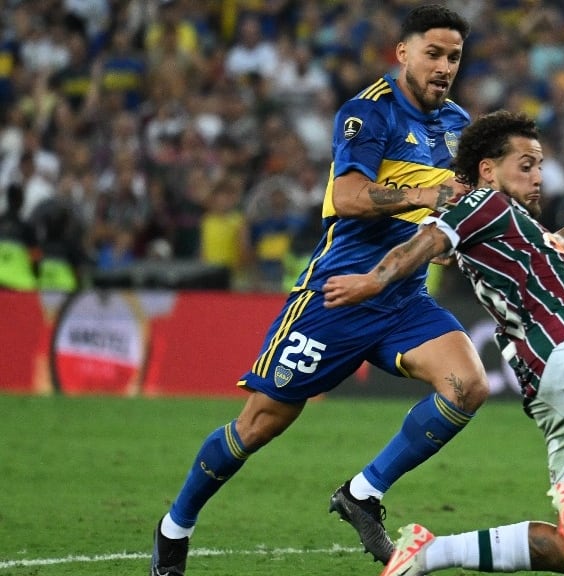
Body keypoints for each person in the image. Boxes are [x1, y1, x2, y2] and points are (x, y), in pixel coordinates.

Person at [150, 5, 489, 574]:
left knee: (468, 386)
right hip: (336, 298)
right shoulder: (368, 113)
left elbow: (472, 201)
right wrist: (425, 197)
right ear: (402, 52)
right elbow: (352, 196)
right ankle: (174, 526)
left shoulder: (459, 124)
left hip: (404, 299)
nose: (444, 66)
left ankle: (362, 493)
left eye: (454, 56)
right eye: (433, 53)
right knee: (258, 424)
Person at [322, 110, 564, 575]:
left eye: (540, 166)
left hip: (547, 383)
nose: (538, 176)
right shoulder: (484, 205)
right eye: (526, 165)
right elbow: (426, 243)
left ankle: (425, 555)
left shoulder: (510, 224)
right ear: (488, 169)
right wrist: (372, 281)